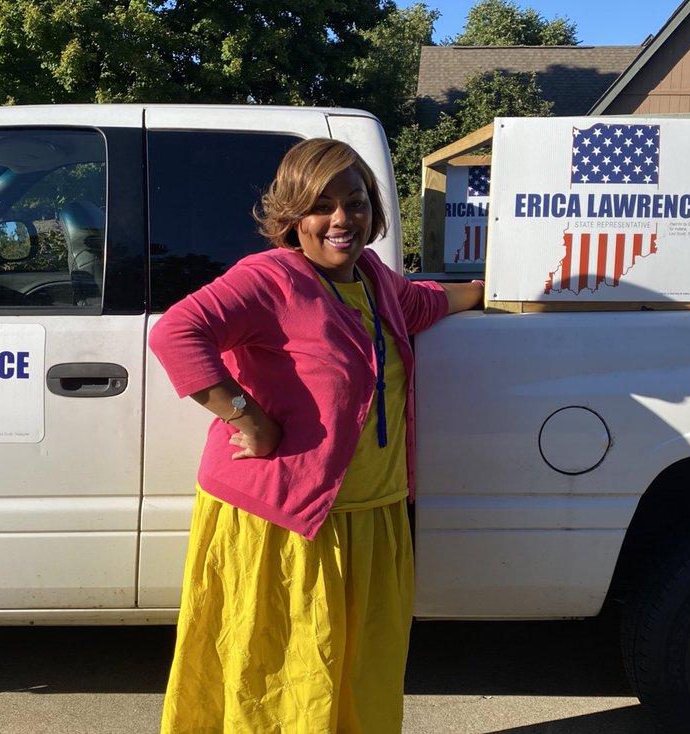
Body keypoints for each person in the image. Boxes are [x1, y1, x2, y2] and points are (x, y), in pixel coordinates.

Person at [149, 137, 484, 733]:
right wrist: (245, 415)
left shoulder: (376, 279)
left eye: (354, 203)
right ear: (291, 215)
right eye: (320, 205)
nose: (341, 220)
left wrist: (499, 290)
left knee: (358, 677)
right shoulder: (269, 278)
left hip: (372, 519)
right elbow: (178, 331)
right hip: (287, 524)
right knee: (280, 683)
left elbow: (423, 303)